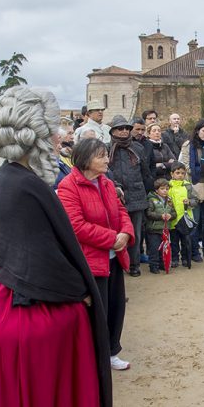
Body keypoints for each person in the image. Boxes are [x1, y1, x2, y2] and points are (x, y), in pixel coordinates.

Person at [0, 86, 111, 407]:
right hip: (27, 316)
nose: (59, 138)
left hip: (4, 301)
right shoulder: (22, 183)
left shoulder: (9, 177)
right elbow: (36, 257)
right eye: (52, 130)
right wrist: (79, 291)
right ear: (36, 136)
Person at [58, 137, 135, 370]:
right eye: (101, 155)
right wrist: (112, 239)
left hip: (114, 257)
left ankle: (112, 351)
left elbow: (121, 211)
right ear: (85, 159)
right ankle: (95, 356)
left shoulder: (107, 183)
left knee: (116, 306)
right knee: (97, 312)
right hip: (92, 261)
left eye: (106, 154)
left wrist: (126, 234)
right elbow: (76, 226)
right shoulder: (68, 186)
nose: (107, 160)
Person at [107, 115, 152, 277]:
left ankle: (134, 265)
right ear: (113, 131)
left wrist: (147, 193)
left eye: (127, 128)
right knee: (115, 233)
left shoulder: (138, 148)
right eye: (120, 128)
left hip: (137, 195)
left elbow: (146, 173)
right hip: (115, 197)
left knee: (135, 233)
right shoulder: (106, 149)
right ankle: (118, 265)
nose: (124, 131)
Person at [179, 119, 204, 261]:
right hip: (193, 186)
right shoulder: (188, 145)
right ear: (197, 130)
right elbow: (186, 166)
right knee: (195, 220)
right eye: (203, 131)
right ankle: (194, 251)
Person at [168, 162, 197, 269]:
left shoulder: (188, 186)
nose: (180, 175)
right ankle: (174, 259)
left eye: (182, 173)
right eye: (177, 173)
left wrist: (189, 202)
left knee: (185, 241)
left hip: (185, 220)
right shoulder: (168, 187)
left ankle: (185, 258)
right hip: (173, 220)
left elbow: (195, 200)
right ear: (172, 174)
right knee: (174, 242)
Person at [145, 178, 175, 273]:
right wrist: (160, 216)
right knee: (154, 248)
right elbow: (148, 213)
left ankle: (162, 264)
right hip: (154, 229)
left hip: (165, 229)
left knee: (164, 248)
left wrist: (171, 216)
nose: (165, 191)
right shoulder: (151, 199)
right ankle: (153, 266)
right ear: (156, 190)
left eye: (167, 188)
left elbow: (174, 213)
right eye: (162, 189)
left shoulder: (170, 200)